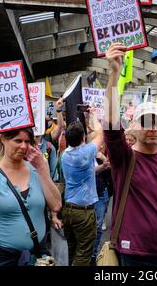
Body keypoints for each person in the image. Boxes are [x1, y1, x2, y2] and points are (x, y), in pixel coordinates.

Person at [103, 43, 157, 266]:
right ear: (133, 127)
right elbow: (109, 124)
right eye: (146, 122)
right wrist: (114, 75)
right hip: (132, 254)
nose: (153, 128)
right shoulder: (124, 157)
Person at [0, 124, 62, 266]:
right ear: (2, 139)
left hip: (36, 251)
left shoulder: (36, 169)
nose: (23, 146)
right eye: (17, 140)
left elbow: (56, 205)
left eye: (27, 141)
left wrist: (42, 169)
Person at [61, 109, 103, 266]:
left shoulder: (65, 154)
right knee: (84, 254)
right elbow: (101, 133)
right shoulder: (86, 152)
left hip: (68, 209)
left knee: (72, 250)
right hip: (83, 212)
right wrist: (93, 114)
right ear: (83, 137)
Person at [91, 144, 112, 263]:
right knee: (89, 226)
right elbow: (89, 172)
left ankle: (93, 254)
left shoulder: (102, 157)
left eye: (100, 146)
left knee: (98, 225)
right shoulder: (86, 157)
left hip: (101, 193)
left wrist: (104, 159)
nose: (98, 149)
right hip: (87, 195)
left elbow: (111, 167)